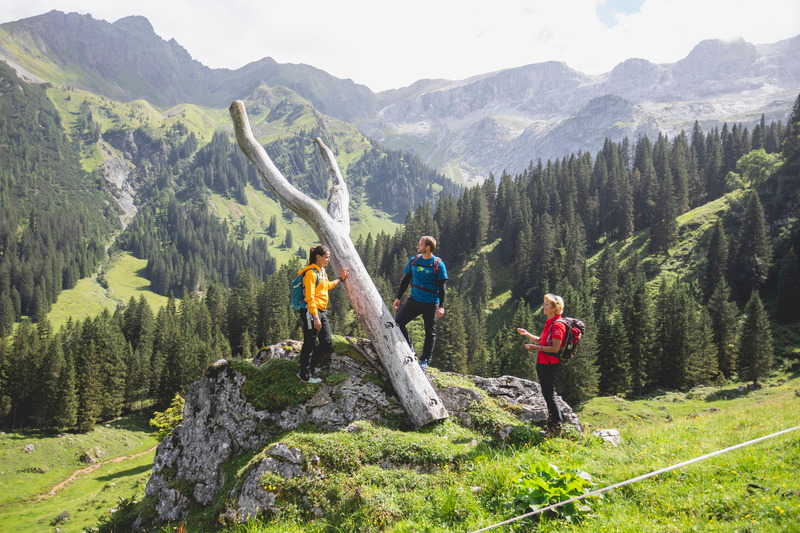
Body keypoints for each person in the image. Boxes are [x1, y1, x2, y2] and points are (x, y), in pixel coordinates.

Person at [393, 236, 448, 370]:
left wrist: (441, 307)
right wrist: (398, 297)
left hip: (431, 303)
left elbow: (442, 288)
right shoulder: (414, 260)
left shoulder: (438, 264)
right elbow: (406, 280)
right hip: (414, 300)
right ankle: (410, 348)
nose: (418, 246)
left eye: (420, 244)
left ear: (428, 247)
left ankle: (425, 360)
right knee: (398, 322)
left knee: (430, 332)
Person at [296, 245, 349, 384]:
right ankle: (304, 375)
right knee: (309, 343)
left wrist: (341, 279)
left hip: (320, 311)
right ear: (318, 257)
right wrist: (315, 317)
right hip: (311, 312)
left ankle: (308, 367)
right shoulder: (311, 274)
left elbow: (327, 286)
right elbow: (309, 297)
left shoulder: (321, 271)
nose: (328, 259)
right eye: (326, 257)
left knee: (326, 342)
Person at [517, 293, 566, 436]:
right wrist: (527, 334)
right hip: (543, 363)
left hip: (549, 364)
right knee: (547, 394)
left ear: (555, 308)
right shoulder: (550, 323)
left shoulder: (557, 325)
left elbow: (555, 348)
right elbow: (542, 340)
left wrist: (536, 348)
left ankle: (555, 428)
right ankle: (553, 427)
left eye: (546, 305)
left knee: (549, 395)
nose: (543, 307)